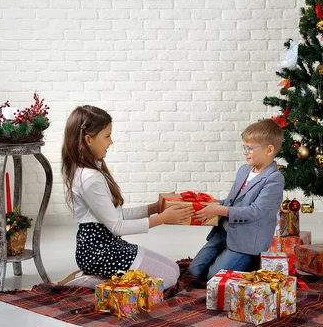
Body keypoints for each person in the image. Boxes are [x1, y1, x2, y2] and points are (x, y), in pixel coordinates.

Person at [59, 105, 194, 288]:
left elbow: (117, 214)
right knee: (169, 279)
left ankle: (104, 277)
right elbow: (117, 226)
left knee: (174, 270)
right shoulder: (90, 178)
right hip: (98, 253)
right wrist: (161, 219)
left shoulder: (94, 169)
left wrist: (153, 208)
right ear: (89, 140)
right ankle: (94, 279)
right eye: (107, 136)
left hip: (109, 245)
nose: (111, 142)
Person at [188, 119, 285, 281]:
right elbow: (231, 202)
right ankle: (228, 258)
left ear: (269, 150)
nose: (245, 152)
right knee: (195, 271)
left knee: (214, 277)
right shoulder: (244, 170)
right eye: (244, 147)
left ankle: (249, 261)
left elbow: (256, 211)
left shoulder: (274, 179)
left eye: (250, 148)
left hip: (246, 243)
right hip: (224, 233)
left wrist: (219, 210)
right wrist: (212, 203)